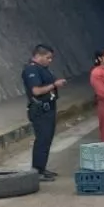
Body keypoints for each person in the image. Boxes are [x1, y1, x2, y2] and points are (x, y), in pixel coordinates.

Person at [22, 44, 66, 181]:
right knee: (41, 140)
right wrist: (54, 85)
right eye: (48, 57)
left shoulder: (44, 69)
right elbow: (36, 91)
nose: (50, 60)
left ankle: (42, 167)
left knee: (47, 140)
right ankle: (37, 171)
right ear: (38, 56)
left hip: (49, 107)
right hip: (40, 110)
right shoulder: (31, 70)